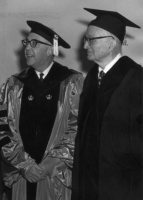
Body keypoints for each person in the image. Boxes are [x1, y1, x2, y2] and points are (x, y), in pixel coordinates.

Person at [0, 20, 84, 200]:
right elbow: (3, 128)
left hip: (56, 175)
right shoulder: (13, 85)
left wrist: (48, 165)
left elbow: (77, 128)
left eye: (34, 43)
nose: (27, 48)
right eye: (26, 42)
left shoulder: (71, 82)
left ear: (51, 49)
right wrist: (25, 165)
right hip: (22, 173)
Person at [72, 8, 143, 200]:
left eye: (91, 39)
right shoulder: (90, 79)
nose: (84, 45)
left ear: (112, 42)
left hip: (122, 185)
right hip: (88, 183)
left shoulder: (136, 78)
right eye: (85, 39)